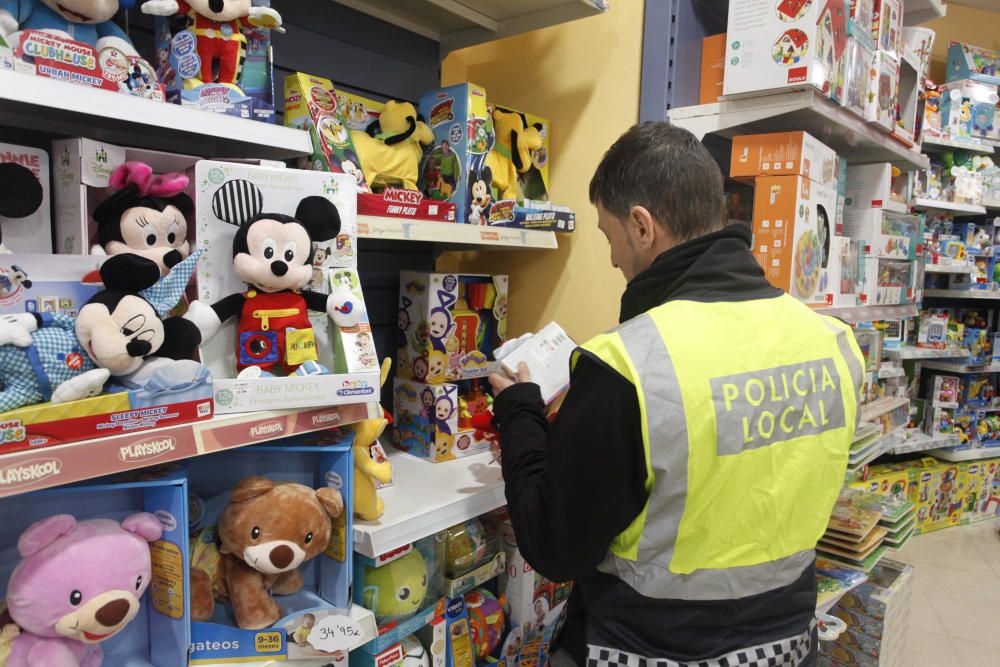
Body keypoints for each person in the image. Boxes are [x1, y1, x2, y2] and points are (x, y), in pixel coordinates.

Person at [489, 123, 863, 667]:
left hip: (645, 648)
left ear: (642, 226)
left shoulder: (627, 366)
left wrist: (521, 409)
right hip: (787, 646)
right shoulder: (833, 343)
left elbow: (554, 546)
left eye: (608, 234)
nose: (613, 258)